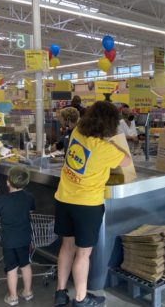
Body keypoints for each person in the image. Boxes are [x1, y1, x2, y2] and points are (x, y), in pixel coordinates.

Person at [54, 101, 132, 307]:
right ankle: (81, 299)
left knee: (66, 246)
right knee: (83, 253)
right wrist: (113, 141)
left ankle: (60, 293)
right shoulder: (105, 149)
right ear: (111, 125)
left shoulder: (78, 132)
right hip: (87, 205)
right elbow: (126, 161)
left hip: (63, 198)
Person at [0, 166, 35, 306]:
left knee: (11, 269)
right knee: (25, 265)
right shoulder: (29, 197)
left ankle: (13, 297)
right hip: (25, 239)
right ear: (26, 182)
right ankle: (27, 292)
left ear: (7, 182)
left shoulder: (0, 201)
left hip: (9, 241)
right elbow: (31, 210)